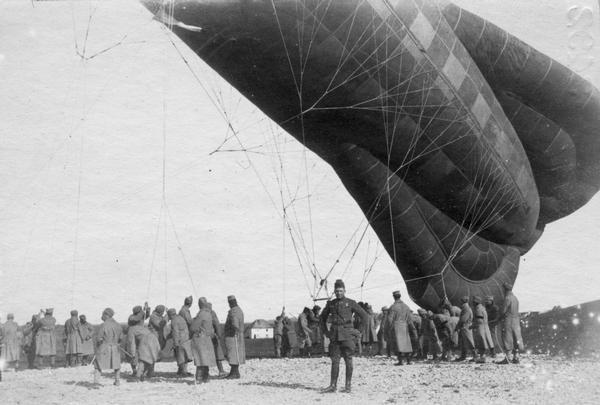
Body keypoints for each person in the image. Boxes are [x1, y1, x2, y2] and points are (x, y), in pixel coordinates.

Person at [319, 279, 368, 393]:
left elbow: (365, 316)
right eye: (337, 291)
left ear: (344, 291)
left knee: (348, 360)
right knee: (335, 360)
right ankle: (332, 385)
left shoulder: (351, 303)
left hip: (347, 335)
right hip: (335, 336)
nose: (339, 293)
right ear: (334, 291)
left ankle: (348, 385)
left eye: (341, 291)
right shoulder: (330, 304)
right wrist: (326, 332)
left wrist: (358, 332)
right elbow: (322, 318)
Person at [190, 298, 217, 384]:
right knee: (205, 358)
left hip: (200, 338)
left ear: (199, 304)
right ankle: (206, 376)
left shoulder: (201, 314)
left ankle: (199, 377)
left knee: (199, 358)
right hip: (207, 338)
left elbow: (193, 327)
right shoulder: (209, 313)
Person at [127, 314, 160, 381]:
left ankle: (138, 376)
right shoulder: (141, 327)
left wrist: (132, 354)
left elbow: (132, 343)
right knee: (150, 357)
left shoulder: (131, 329)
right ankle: (149, 374)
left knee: (143, 359)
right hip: (154, 339)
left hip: (146, 341)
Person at [94, 308, 122, 386]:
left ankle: (96, 382)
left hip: (104, 347)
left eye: (103, 314)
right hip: (115, 347)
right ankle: (117, 381)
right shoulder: (118, 325)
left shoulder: (104, 325)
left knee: (98, 364)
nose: (102, 316)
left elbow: (99, 338)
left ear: (107, 315)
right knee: (117, 365)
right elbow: (121, 338)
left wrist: (98, 344)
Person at [387, 291, 416, 366]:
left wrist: (390, 329)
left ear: (394, 297)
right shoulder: (406, 306)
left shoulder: (393, 307)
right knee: (406, 344)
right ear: (400, 296)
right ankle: (409, 361)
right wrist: (412, 328)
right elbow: (410, 319)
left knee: (398, 344)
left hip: (396, 327)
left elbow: (390, 320)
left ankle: (401, 361)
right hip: (405, 326)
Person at [498, 283, 524, 364]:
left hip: (508, 321)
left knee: (508, 338)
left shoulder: (507, 298)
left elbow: (503, 311)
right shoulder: (515, 298)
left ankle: (508, 358)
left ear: (505, 290)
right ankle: (516, 357)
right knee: (516, 337)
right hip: (516, 321)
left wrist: (499, 317)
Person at [224, 295, 245, 379]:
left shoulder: (233, 311)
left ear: (230, 303)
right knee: (236, 354)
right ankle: (235, 372)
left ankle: (234, 373)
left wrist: (234, 330)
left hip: (233, 336)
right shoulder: (239, 310)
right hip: (239, 335)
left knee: (233, 354)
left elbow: (235, 323)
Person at [167, 308, 193, 377]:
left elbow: (175, 332)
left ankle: (183, 372)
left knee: (180, 357)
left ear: (170, 315)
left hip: (180, 341)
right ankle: (183, 371)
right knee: (185, 356)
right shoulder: (180, 318)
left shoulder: (174, 321)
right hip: (186, 339)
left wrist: (176, 343)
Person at [207, 302, 227, 377]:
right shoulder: (212, 313)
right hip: (213, 336)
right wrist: (219, 335)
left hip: (205, 337)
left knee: (206, 355)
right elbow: (217, 324)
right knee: (217, 354)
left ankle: (206, 372)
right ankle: (221, 371)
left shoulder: (202, 314)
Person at [472, 296, 494, 363]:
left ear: (476, 302)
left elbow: (479, 320)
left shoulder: (478, 309)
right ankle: (483, 356)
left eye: (474, 301)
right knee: (484, 341)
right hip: (484, 327)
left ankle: (482, 357)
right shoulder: (482, 308)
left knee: (481, 342)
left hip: (480, 327)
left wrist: (473, 325)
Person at [455, 296, 475, 361]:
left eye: (461, 301)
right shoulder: (465, 308)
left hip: (466, 327)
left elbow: (463, 319)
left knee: (469, 341)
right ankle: (463, 356)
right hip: (465, 327)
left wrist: (457, 326)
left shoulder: (466, 308)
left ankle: (475, 356)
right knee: (464, 343)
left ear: (463, 301)